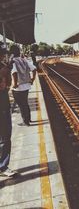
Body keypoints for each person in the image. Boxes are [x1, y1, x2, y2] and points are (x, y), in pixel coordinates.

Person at [0, 42, 17, 177]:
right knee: (5, 137)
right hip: (2, 107)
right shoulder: (3, 68)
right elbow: (4, 86)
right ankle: (2, 166)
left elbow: (7, 86)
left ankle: (3, 165)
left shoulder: (3, 67)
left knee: (5, 137)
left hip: (4, 105)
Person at [10, 45, 36, 126]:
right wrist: (32, 79)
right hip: (26, 85)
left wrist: (14, 84)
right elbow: (34, 69)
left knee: (21, 104)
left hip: (18, 87)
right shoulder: (24, 60)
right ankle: (28, 119)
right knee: (25, 103)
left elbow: (14, 72)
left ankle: (25, 121)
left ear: (12, 53)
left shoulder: (13, 61)